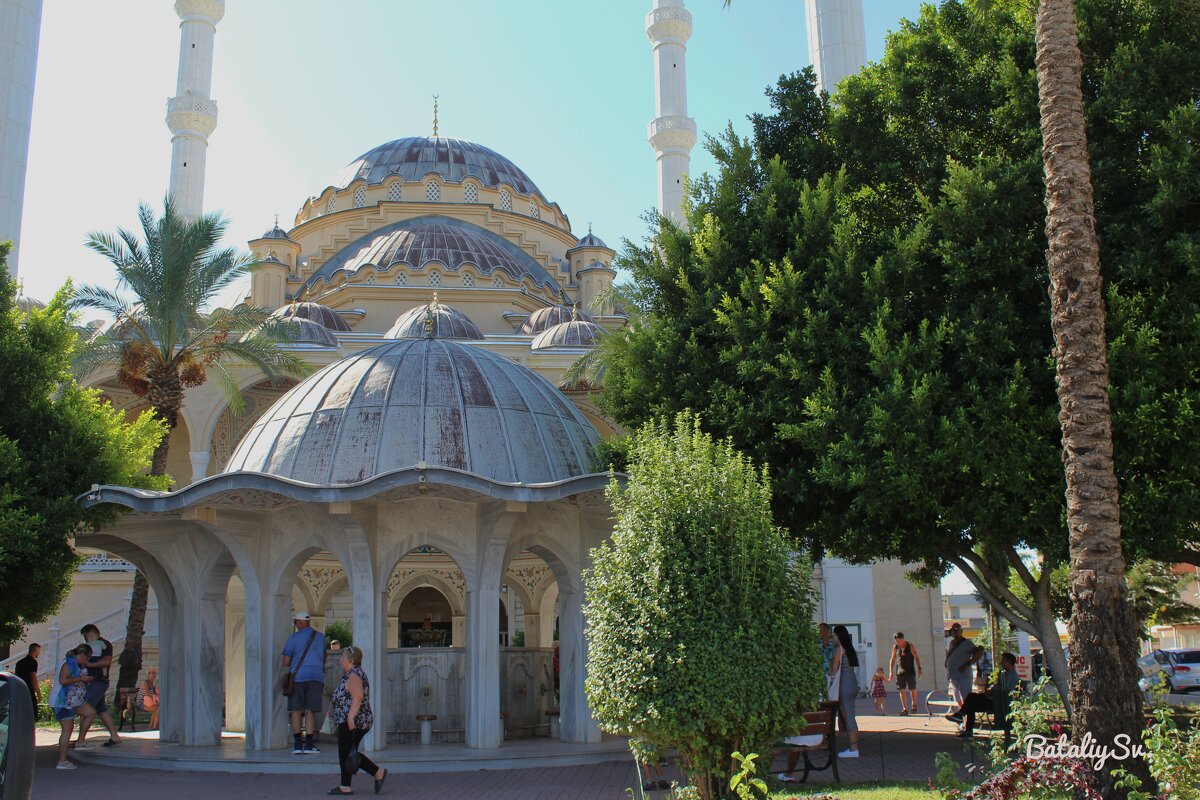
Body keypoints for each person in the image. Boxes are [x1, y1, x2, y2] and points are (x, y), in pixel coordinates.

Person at [327, 645, 386, 795]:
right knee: (347, 752)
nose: (340, 660)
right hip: (355, 720)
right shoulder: (354, 673)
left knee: (347, 753)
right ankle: (346, 785)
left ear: (351, 660)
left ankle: (377, 773)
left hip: (354, 721)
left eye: (343, 658)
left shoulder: (354, 675)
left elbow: (358, 696)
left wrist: (351, 717)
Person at [946, 652, 1021, 737]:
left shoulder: (1012, 676)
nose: (1001, 663)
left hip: (999, 702)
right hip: (994, 699)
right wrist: (991, 689)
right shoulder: (1005, 674)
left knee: (971, 698)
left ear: (1008, 662)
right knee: (971, 702)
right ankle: (966, 729)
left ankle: (961, 717)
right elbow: (999, 686)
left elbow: (1006, 690)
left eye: (1003, 661)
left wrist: (992, 690)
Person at [282, 610, 326, 754]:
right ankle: (309, 745)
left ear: (300, 623)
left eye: (295, 622)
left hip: (298, 678)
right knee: (310, 711)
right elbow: (323, 658)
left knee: (296, 710)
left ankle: (297, 745)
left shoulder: (293, 638)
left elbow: (286, 662)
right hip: (316, 677)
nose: (295, 625)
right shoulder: (320, 637)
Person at [76, 623, 122, 747]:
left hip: (97, 681)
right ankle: (115, 736)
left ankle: (80, 740)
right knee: (101, 709)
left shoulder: (104, 645)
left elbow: (106, 661)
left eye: (87, 636)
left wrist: (89, 665)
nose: (86, 639)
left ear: (92, 634)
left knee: (86, 709)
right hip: (93, 681)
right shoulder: (89, 646)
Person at [52, 644, 97, 770]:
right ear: (82, 655)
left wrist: (84, 679)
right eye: (87, 657)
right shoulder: (67, 664)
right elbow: (63, 681)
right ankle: (62, 761)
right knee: (67, 730)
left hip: (74, 699)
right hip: (62, 701)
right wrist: (81, 678)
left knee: (90, 712)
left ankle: (80, 742)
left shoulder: (76, 665)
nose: (87, 661)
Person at [830, 625, 860, 758]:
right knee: (849, 716)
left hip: (844, 683)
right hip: (852, 681)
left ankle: (854, 749)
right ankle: (852, 747)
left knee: (848, 717)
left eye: (834, 635)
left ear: (839, 636)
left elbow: (834, 668)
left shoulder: (839, 649)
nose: (832, 638)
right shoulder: (850, 648)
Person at [887, 631, 922, 716]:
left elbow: (916, 657)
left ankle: (914, 704)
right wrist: (891, 671)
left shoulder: (910, 645)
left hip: (910, 671)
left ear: (902, 639)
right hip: (900, 672)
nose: (897, 642)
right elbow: (892, 659)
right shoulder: (895, 647)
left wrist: (919, 668)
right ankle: (905, 709)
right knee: (901, 690)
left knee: (912, 688)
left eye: (898, 640)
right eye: (895, 640)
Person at [944, 624, 979, 704]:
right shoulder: (952, 643)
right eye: (952, 630)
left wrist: (968, 664)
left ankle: (968, 715)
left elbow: (979, 653)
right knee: (957, 698)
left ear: (961, 631)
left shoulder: (967, 643)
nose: (954, 632)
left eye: (956, 630)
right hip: (953, 676)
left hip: (964, 676)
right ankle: (962, 714)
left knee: (966, 698)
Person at [14, 643, 40, 716]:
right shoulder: (33, 662)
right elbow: (33, 678)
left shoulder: (19, 662)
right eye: (39, 651)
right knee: (32, 713)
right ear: (35, 651)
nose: (39, 653)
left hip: (19, 689)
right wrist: (38, 693)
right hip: (28, 690)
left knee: (20, 713)